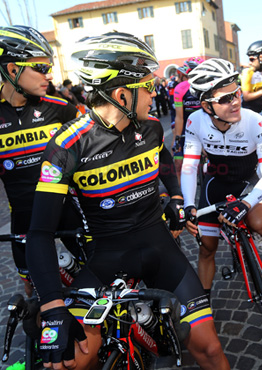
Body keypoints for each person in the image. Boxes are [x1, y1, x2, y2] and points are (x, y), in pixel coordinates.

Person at [26, 32, 230, 370]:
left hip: (159, 247)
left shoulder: (150, 127)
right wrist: (52, 305)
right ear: (122, 94)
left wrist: (176, 197)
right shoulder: (68, 144)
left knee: (209, 348)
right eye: (148, 86)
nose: (154, 94)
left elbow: (166, 164)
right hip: (106, 256)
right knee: (70, 361)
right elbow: (39, 233)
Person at [181, 58, 262, 301]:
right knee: (207, 249)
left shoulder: (256, 121)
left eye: (236, 93)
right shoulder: (195, 120)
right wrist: (187, 205)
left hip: (248, 184)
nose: (236, 101)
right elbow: (190, 166)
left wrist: (246, 204)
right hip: (215, 184)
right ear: (206, 105)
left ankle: (249, 228)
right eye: (225, 99)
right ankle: (203, 304)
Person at [0, 25, 84, 296]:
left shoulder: (58, 107)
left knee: (94, 281)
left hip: (66, 210)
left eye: (49, 67)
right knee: (34, 293)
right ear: (13, 70)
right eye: (41, 67)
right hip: (24, 218)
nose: (49, 75)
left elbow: (95, 147)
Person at [173, 57, 203, 182]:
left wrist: (177, 139)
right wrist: (177, 138)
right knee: (180, 164)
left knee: (180, 166)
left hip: (196, 129)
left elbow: (179, 117)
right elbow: (179, 117)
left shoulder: (203, 86)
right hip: (188, 129)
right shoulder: (180, 88)